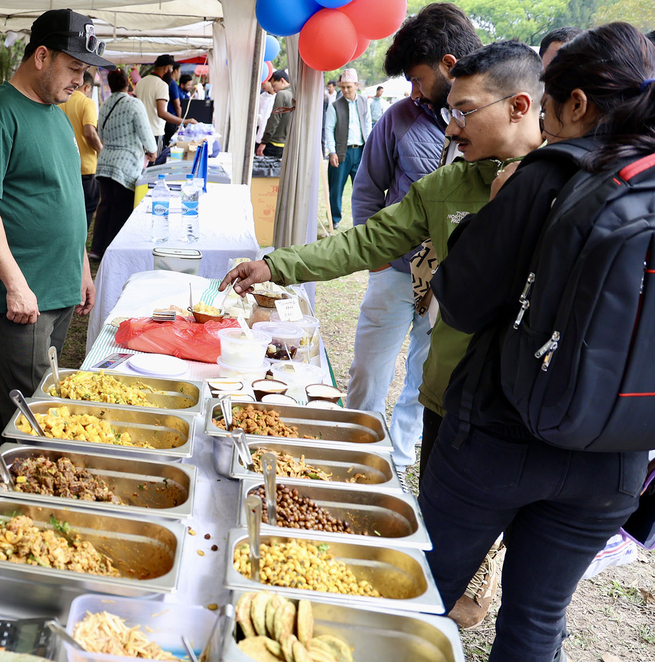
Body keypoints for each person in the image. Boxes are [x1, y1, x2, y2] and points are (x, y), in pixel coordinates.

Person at [219, 40, 545, 629]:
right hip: (456, 396)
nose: (451, 123)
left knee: (536, 597)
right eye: (450, 109)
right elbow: (366, 240)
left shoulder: (570, 180)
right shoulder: (448, 186)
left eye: (465, 111)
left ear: (520, 106)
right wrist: (277, 265)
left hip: (533, 409)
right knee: (441, 546)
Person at [425, 23, 654, 661]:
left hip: (501, 435)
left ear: (575, 104)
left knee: (417, 597)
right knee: (536, 621)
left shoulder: (550, 172)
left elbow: (464, 301)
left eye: (550, 102)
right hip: (617, 458)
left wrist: (497, 207)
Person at [347, 0, 481, 475]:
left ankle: (397, 464)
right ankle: (354, 454)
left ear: (448, 66)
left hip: (450, 283)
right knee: (369, 371)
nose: (414, 89)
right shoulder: (399, 118)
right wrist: (378, 260)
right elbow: (366, 191)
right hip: (396, 271)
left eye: (418, 77)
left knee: (424, 381)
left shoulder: (484, 122)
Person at [0, 8, 107, 427]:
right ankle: (22, 485)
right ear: (41, 56)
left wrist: (80, 266)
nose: (80, 80)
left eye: (85, 70)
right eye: (74, 67)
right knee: (32, 415)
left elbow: (67, 196)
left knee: (47, 398)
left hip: (58, 289)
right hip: (23, 299)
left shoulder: (59, 115)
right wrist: (16, 284)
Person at [91, 69, 158, 258]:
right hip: (126, 164)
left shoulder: (104, 105)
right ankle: (111, 251)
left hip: (104, 163)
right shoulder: (134, 104)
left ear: (110, 85)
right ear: (127, 84)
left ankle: (96, 249)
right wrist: (152, 151)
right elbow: (145, 132)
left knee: (105, 207)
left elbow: (101, 136)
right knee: (121, 209)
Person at [324, 68, 371, 227]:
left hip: (360, 151)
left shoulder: (365, 101)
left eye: (349, 87)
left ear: (357, 85)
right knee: (336, 188)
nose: (345, 90)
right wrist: (332, 152)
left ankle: (361, 220)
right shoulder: (335, 105)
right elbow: (328, 129)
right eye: (342, 86)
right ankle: (334, 220)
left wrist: (369, 147)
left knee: (362, 189)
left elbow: (368, 124)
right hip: (341, 152)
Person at [60, 70, 103, 230]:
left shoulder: (60, 102)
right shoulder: (87, 103)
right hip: (85, 166)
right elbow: (90, 133)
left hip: (64, 165)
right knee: (87, 208)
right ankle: (80, 246)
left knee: (68, 210)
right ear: (86, 88)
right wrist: (101, 151)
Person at [134, 54, 196, 147]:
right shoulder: (161, 85)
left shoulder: (140, 82)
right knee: (154, 161)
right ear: (166, 69)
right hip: (154, 133)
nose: (171, 72)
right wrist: (184, 121)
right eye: (171, 69)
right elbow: (162, 113)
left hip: (139, 132)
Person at [257, 70, 294, 157]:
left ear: (282, 81)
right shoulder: (295, 94)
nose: (274, 89)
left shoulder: (282, 94)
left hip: (275, 142)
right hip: (288, 143)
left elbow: (274, 120)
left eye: (274, 85)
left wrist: (264, 141)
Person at [256, 78, 276, 144]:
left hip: (271, 137)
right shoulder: (261, 97)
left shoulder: (277, 97)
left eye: (263, 83)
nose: (262, 86)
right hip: (259, 133)